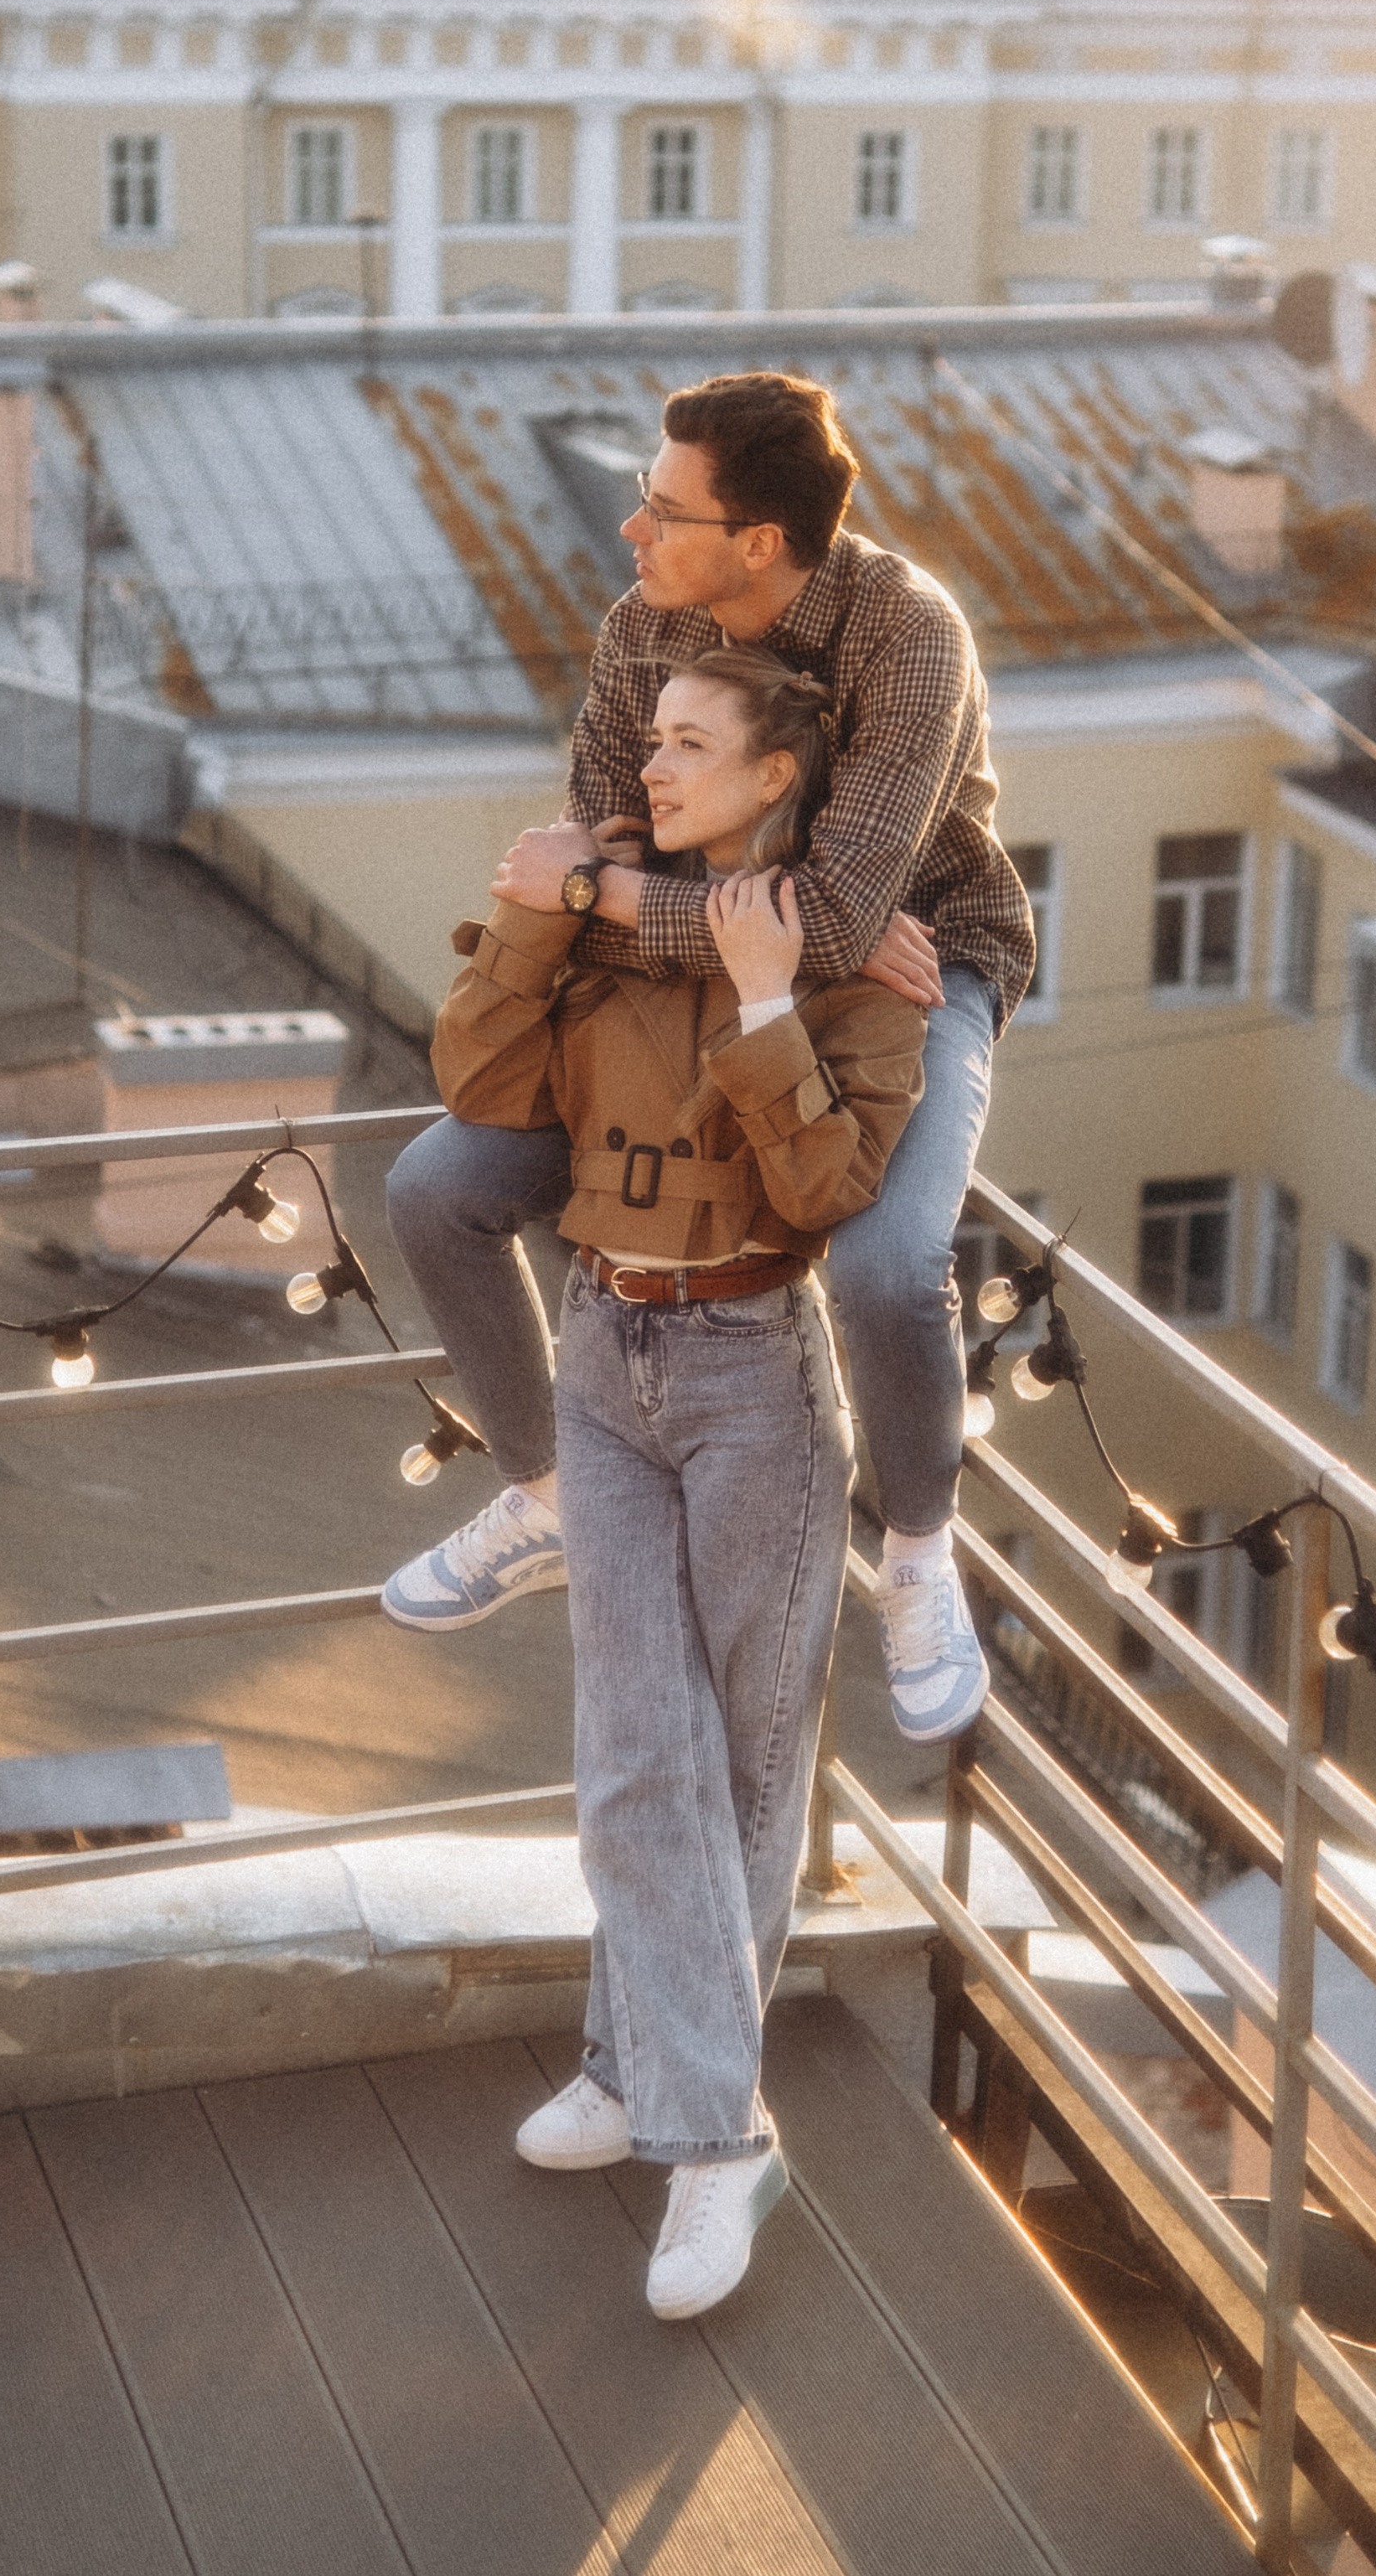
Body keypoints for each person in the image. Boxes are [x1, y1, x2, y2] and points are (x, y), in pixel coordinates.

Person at [384, 369, 1035, 1741]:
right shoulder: (643, 630)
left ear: (759, 544)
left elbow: (832, 914)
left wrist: (612, 898)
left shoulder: (909, 637)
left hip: (924, 965)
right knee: (437, 1186)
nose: (633, 532)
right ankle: (552, 1493)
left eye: (662, 508)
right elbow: (607, 832)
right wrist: (691, 912)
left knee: (888, 1261)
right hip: (694, 980)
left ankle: (920, 1554)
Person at [430, 643, 925, 2315]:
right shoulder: (603, 920)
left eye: (692, 744)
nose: (653, 765)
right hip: (598, 1354)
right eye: (654, 738)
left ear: (775, 774)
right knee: (636, 1745)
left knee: (742, 1768)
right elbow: (479, 1093)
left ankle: (678, 2109)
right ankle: (697, 2117)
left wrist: (774, 1003)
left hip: (752, 1377)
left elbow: (833, 1188)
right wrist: (530, 918)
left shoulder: (858, 964)